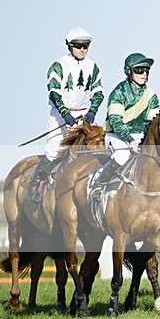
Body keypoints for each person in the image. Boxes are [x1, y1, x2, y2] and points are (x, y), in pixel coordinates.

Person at [27, 27, 105, 202]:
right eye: (79, 46)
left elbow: (99, 91)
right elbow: (54, 92)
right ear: (70, 46)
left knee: (96, 150)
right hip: (60, 116)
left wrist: (92, 112)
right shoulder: (58, 66)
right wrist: (65, 114)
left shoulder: (93, 67)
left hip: (84, 117)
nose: (83, 49)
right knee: (54, 150)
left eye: (86, 46)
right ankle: (35, 185)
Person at [90, 53, 160, 202]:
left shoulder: (152, 95)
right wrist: (130, 141)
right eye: (139, 70)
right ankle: (99, 184)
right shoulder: (118, 92)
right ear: (129, 72)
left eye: (147, 70)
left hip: (140, 136)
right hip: (116, 136)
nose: (144, 74)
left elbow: (151, 123)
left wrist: (144, 142)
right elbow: (115, 121)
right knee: (122, 157)